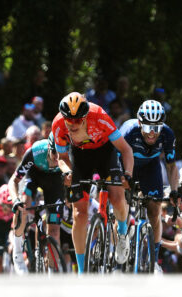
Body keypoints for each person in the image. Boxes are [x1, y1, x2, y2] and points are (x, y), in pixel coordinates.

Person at [52, 92, 134, 272]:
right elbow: (62, 157)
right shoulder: (58, 124)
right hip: (80, 156)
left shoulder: (100, 117)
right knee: (78, 214)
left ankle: (121, 234)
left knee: (117, 198)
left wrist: (127, 174)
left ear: (86, 117)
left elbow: (126, 150)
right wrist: (67, 172)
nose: (72, 125)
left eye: (77, 120)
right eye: (69, 120)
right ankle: (82, 271)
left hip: (105, 153)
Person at [120, 100, 179, 265]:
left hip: (150, 167)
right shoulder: (129, 132)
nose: (152, 133)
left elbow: (171, 165)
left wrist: (174, 191)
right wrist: (124, 180)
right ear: (139, 123)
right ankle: (122, 237)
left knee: (155, 210)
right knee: (121, 203)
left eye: (156, 128)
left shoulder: (167, 134)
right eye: (147, 128)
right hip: (125, 165)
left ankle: (154, 258)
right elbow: (116, 160)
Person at [8, 135, 68, 274]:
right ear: (48, 148)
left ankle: (52, 272)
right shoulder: (35, 152)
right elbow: (13, 181)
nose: (57, 158)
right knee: (22, 204)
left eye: (61, 154)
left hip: (55, 181)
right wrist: (15, 200)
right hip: (35, 175)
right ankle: (17, 252)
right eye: (54, 153)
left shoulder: (68, 155)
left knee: (54, 230)